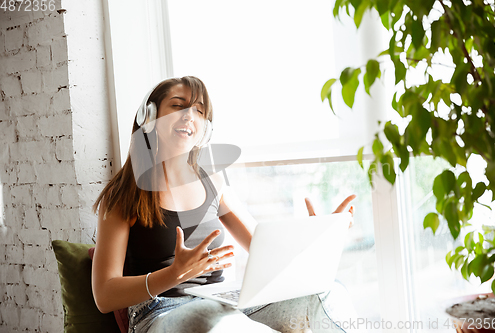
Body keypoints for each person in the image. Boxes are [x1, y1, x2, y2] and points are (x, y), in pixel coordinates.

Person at [91, 76, 357, 333]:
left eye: (199, 110)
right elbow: (104, 295)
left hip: (224, 304)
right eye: (178, 105)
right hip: (161, 311)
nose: (189, 115)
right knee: (210, 317)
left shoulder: (213, 181)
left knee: (328, 292)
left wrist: (320, 237)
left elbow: (265, 250)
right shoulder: (123, 195)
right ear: (149, 117)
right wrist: (173, 274)